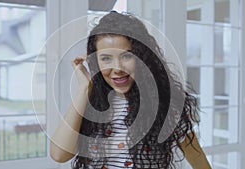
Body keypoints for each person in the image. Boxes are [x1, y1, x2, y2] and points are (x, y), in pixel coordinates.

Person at [50, 11, 211, 169]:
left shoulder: (165, 106)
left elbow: (200, 164)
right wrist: (84, 88)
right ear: (95, 62)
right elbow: (59, 155)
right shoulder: (89, 104)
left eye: (127, 56)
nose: (118, 68)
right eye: (106, 58)